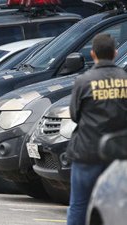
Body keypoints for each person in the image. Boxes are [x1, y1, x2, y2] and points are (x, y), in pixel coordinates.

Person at [66, 33, 127, 225]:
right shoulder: (125, 79)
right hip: (118, 154)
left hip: (87, 153)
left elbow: (75, 115)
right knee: (116, 206)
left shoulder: (83, 81)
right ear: (115, 53)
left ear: (93, 54)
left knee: (79, 204)